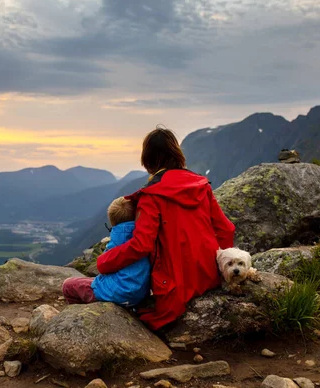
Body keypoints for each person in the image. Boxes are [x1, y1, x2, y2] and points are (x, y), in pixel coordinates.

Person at [95, 127, 235, 331]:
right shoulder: (201, 185)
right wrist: (222, 268)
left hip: (175, 286)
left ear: (147, 159)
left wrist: (104, 262)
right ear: (177, 154)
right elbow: (226, 229)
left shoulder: (151, 196)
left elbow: (141, 245)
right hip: (209, 276)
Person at [62, 197, 151, 307]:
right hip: (139, 294)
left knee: (68, 285)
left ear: (113, 221)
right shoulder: (147, 238)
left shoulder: (118, 241)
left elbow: (104, 267)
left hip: (118, 294)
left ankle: (78, 312)